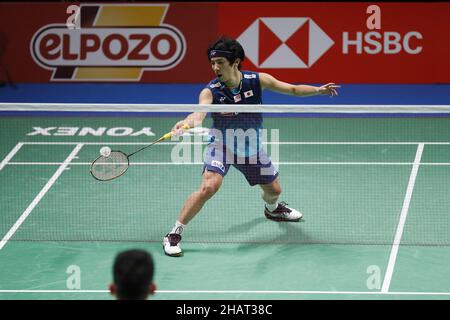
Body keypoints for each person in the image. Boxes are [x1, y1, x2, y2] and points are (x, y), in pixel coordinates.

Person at [163, 37, 339, 257]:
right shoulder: (211, 91)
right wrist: (187, 123)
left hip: (251, 148)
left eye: (220, 62)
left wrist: (318, 91)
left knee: (274, 191)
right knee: (209, 186)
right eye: (212, 63)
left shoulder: (257, 80)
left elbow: (293, 89)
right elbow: (199, 114)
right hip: (222, 145)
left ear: (235, 62)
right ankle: (174, 234)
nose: (215, 67)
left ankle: (273, 210)